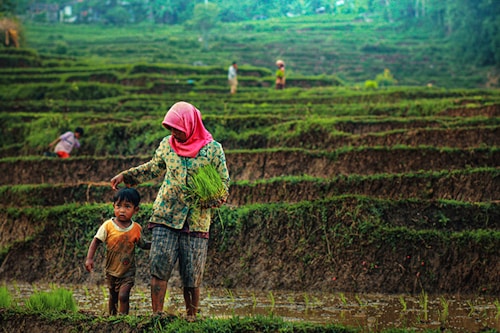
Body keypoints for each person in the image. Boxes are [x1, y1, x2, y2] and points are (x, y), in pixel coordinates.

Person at [110, 101, 230, 321]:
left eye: (178, 128)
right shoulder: (167, 145)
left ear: (190, 125)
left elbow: (223, 181)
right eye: (171, 128)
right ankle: (157, 315)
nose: (174, 133)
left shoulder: (213, 149)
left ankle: (191, 316)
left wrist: (217, 197)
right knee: (159, 265)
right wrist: (126, 177)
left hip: (196, 219)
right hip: (166, 215)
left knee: (192, 273)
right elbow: (152, 168)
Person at [85, 187, 151, 315]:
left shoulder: (136, 228)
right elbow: (96, 241)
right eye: (118, 206)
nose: (122, 210)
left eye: (127, 207)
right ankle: (112, 318)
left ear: (135, 210)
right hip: (111, 270)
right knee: (113, 296)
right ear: (113, 207)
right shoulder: (108, 226)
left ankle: (123, 319)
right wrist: (89, 258)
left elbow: (142, 244)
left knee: (124, 295)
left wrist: (156, 245)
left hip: (128, 271)